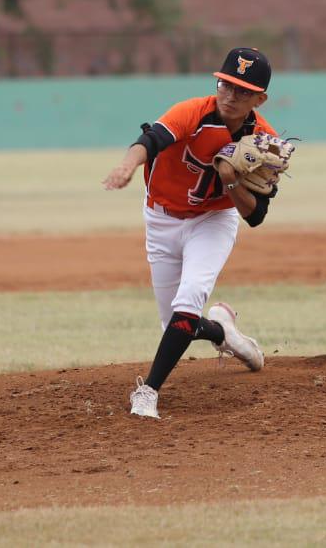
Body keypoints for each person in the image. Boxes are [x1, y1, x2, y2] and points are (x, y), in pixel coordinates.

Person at [102, 47, 280, 419]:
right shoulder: (191, 113)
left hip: (212, 222)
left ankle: (148, 391)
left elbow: (256, 216)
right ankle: (222, 332)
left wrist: (232, 183)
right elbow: (150, 142)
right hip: (161, 219)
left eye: (242, 91)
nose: (230, 95)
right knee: (175, 326)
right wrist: (127, 165)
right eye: (225, 84)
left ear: (260, 99)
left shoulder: (264, 141)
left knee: (188, 303)